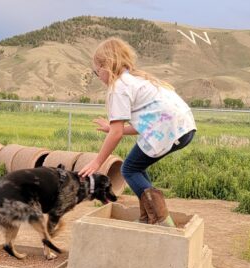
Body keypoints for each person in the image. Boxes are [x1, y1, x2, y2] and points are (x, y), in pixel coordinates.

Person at [78, 37, 197, 227]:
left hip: (169, 129)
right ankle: (147, 217)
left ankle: (162, 221)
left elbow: (116, 134)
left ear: (106, 66)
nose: (98, 76)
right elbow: (144, 124)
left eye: (97, 71)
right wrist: (112, 128)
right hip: (183, 126)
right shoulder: (136, 79)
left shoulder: (118, 87)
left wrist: (97, 161)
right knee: (136, 168)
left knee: (129, 169)